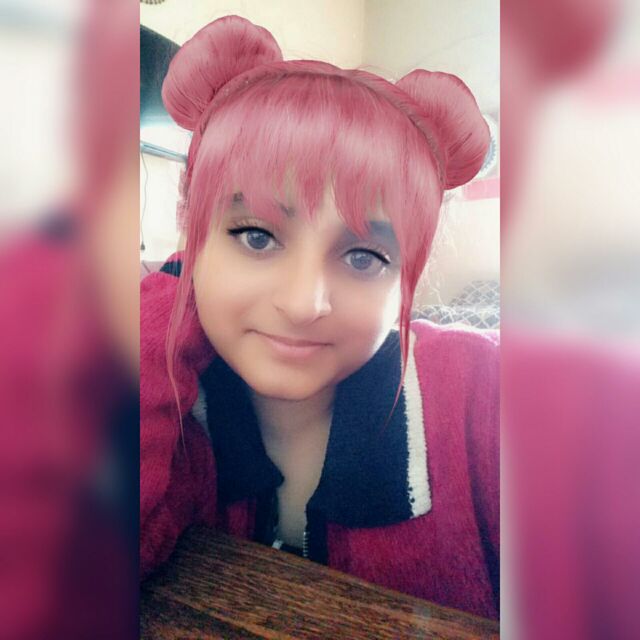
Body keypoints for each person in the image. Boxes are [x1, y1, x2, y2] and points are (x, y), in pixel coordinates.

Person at [140, 15, 498, 620]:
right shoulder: (168, 401)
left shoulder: (488, 396)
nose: (305, 304)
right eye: (255, 236)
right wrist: (166, 301)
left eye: (364, 257)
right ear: (192, 235)